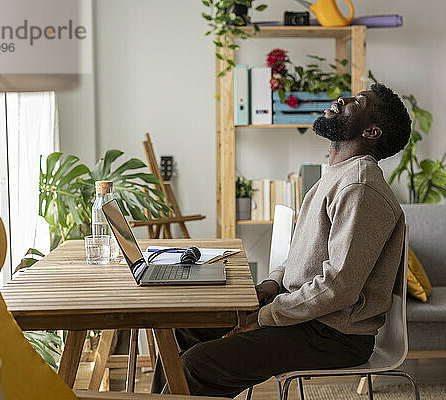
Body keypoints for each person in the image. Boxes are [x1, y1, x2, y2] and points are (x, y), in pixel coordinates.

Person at [151, 83, 412, 398]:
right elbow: (302, 256)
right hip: (304, 315)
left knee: (196, 365)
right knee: (184, 327)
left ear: (371, 132)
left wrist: (264, 317)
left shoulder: (360, 187)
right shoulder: (334, 177)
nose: (341, 99)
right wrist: (272, 284)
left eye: (357, 102)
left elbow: (338, 287)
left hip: (333, 335)